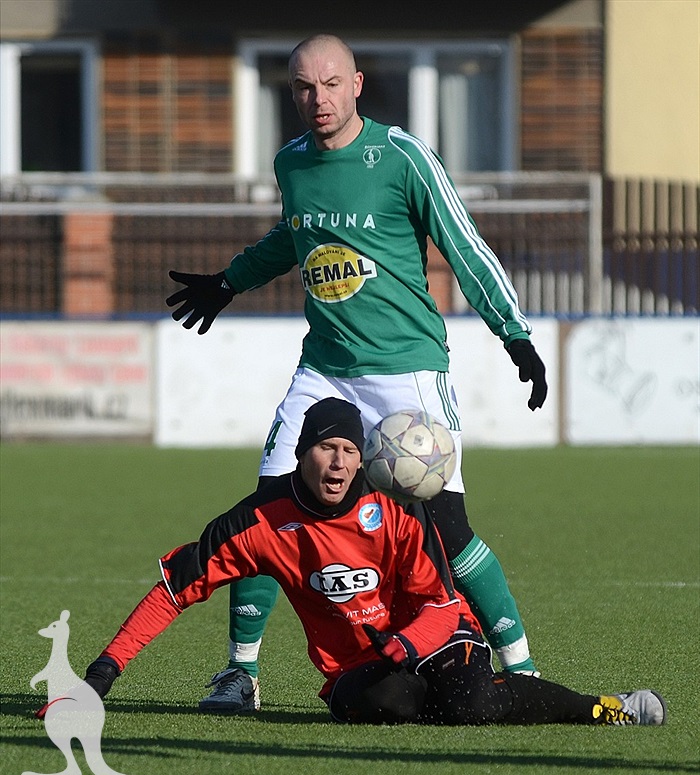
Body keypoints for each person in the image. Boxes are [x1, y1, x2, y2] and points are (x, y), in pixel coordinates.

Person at [166, 33, 549, 714]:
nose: (319, 99)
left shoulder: (401, 156)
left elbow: (463, 244)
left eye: (332, 84)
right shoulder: (292, 164)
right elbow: (297, 234)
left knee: (447, 526)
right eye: (305, 88)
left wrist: (515, 335)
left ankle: (523, 668)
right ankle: (239, 674)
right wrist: (230, 280)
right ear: (293, 94)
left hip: (409, 373)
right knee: (268, 510)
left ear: (357, 84)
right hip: (327, 373)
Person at [82, 398, 666, 728]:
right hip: (359, 670)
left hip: (433, 637)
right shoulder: (257, 520)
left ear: (363, 457)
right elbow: (172, 590)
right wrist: (102, 675)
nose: (338, 464)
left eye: (349, 451)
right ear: (302, 454)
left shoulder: (394, 507)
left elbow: (442, 605)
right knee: (382, 705)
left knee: (469, 704)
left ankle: (602, 707)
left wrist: (404, 647)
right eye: (325, 449)